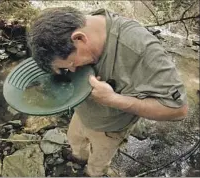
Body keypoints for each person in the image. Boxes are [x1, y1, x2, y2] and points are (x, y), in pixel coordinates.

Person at [29, 7, 188, 177]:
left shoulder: (140, 48)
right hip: (82, 114)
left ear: (80, 39)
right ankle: (78, 159)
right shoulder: (82, 24)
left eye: (71, 64)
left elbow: (178, 110)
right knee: (75, 142)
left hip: (109, 128)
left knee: (98, 162)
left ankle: (91, 173)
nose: (73, 71)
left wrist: (113, 99)